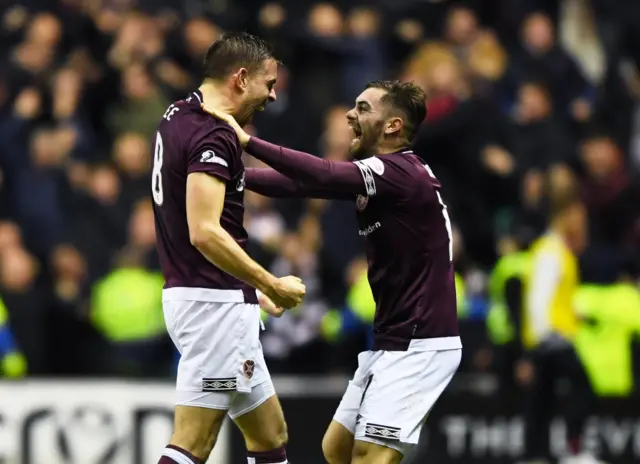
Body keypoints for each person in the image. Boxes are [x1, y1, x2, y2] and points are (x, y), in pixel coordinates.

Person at [203, 80, 462, 464]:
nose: (349, 115)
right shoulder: (382, 178)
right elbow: (299, 184)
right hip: (393, 340)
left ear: (392, 126)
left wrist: (247, 143)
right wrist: (226, 178)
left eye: (363, 108)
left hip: (421, 343)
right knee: (336, 448)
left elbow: (321, 173)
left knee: (369, 455)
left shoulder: (400, 172)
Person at [152, 32, 306, 464]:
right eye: (269, 83)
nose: (273, 96)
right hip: (211, 306)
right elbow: (203, 231)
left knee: (270, 432)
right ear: (241, 78)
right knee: (193, 443)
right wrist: (271, 283)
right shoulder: (213, 135)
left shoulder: (177, 114)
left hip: (211, 295)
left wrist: (250, 292)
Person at [519, 190, 598, 464]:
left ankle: (535, 454)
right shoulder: (551, 251)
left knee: (543, 398)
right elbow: (538, 299)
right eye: (579, 218)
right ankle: (573, 451)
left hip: (550, 337)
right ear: (564, 216)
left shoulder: (559, 250)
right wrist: (542, 340)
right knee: (582, 388)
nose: (582, 225)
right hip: (551, 339)